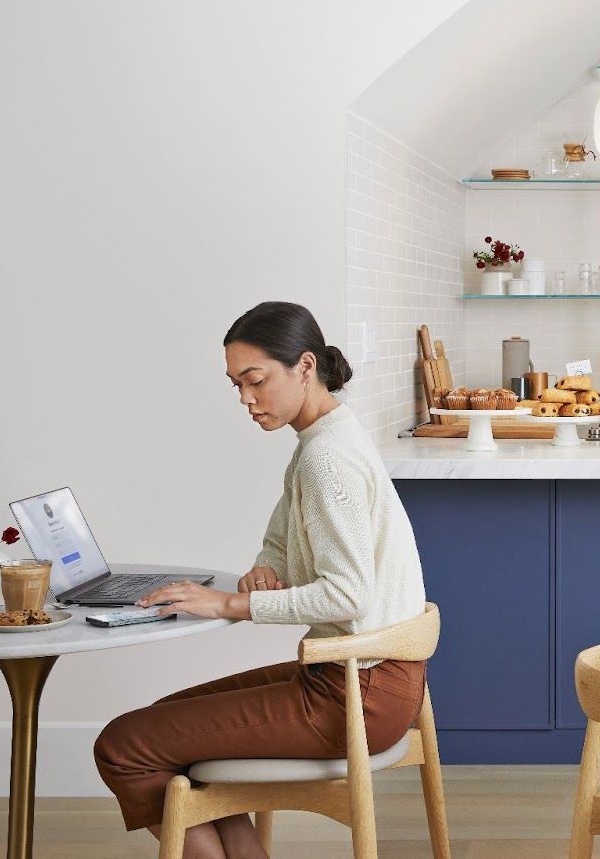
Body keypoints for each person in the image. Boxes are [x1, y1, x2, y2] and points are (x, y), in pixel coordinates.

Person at [94, 302, 428, 858]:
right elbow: (283, 541)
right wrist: (265, 569)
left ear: (304, 366)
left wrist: (230, 605)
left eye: (256, 381)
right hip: (365, 678)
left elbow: (349, 594)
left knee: (125, 746)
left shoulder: (326, 460)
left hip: (355, 693)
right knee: (157, 730)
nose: (246, 400)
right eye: (237, 386)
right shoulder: (322, 441)